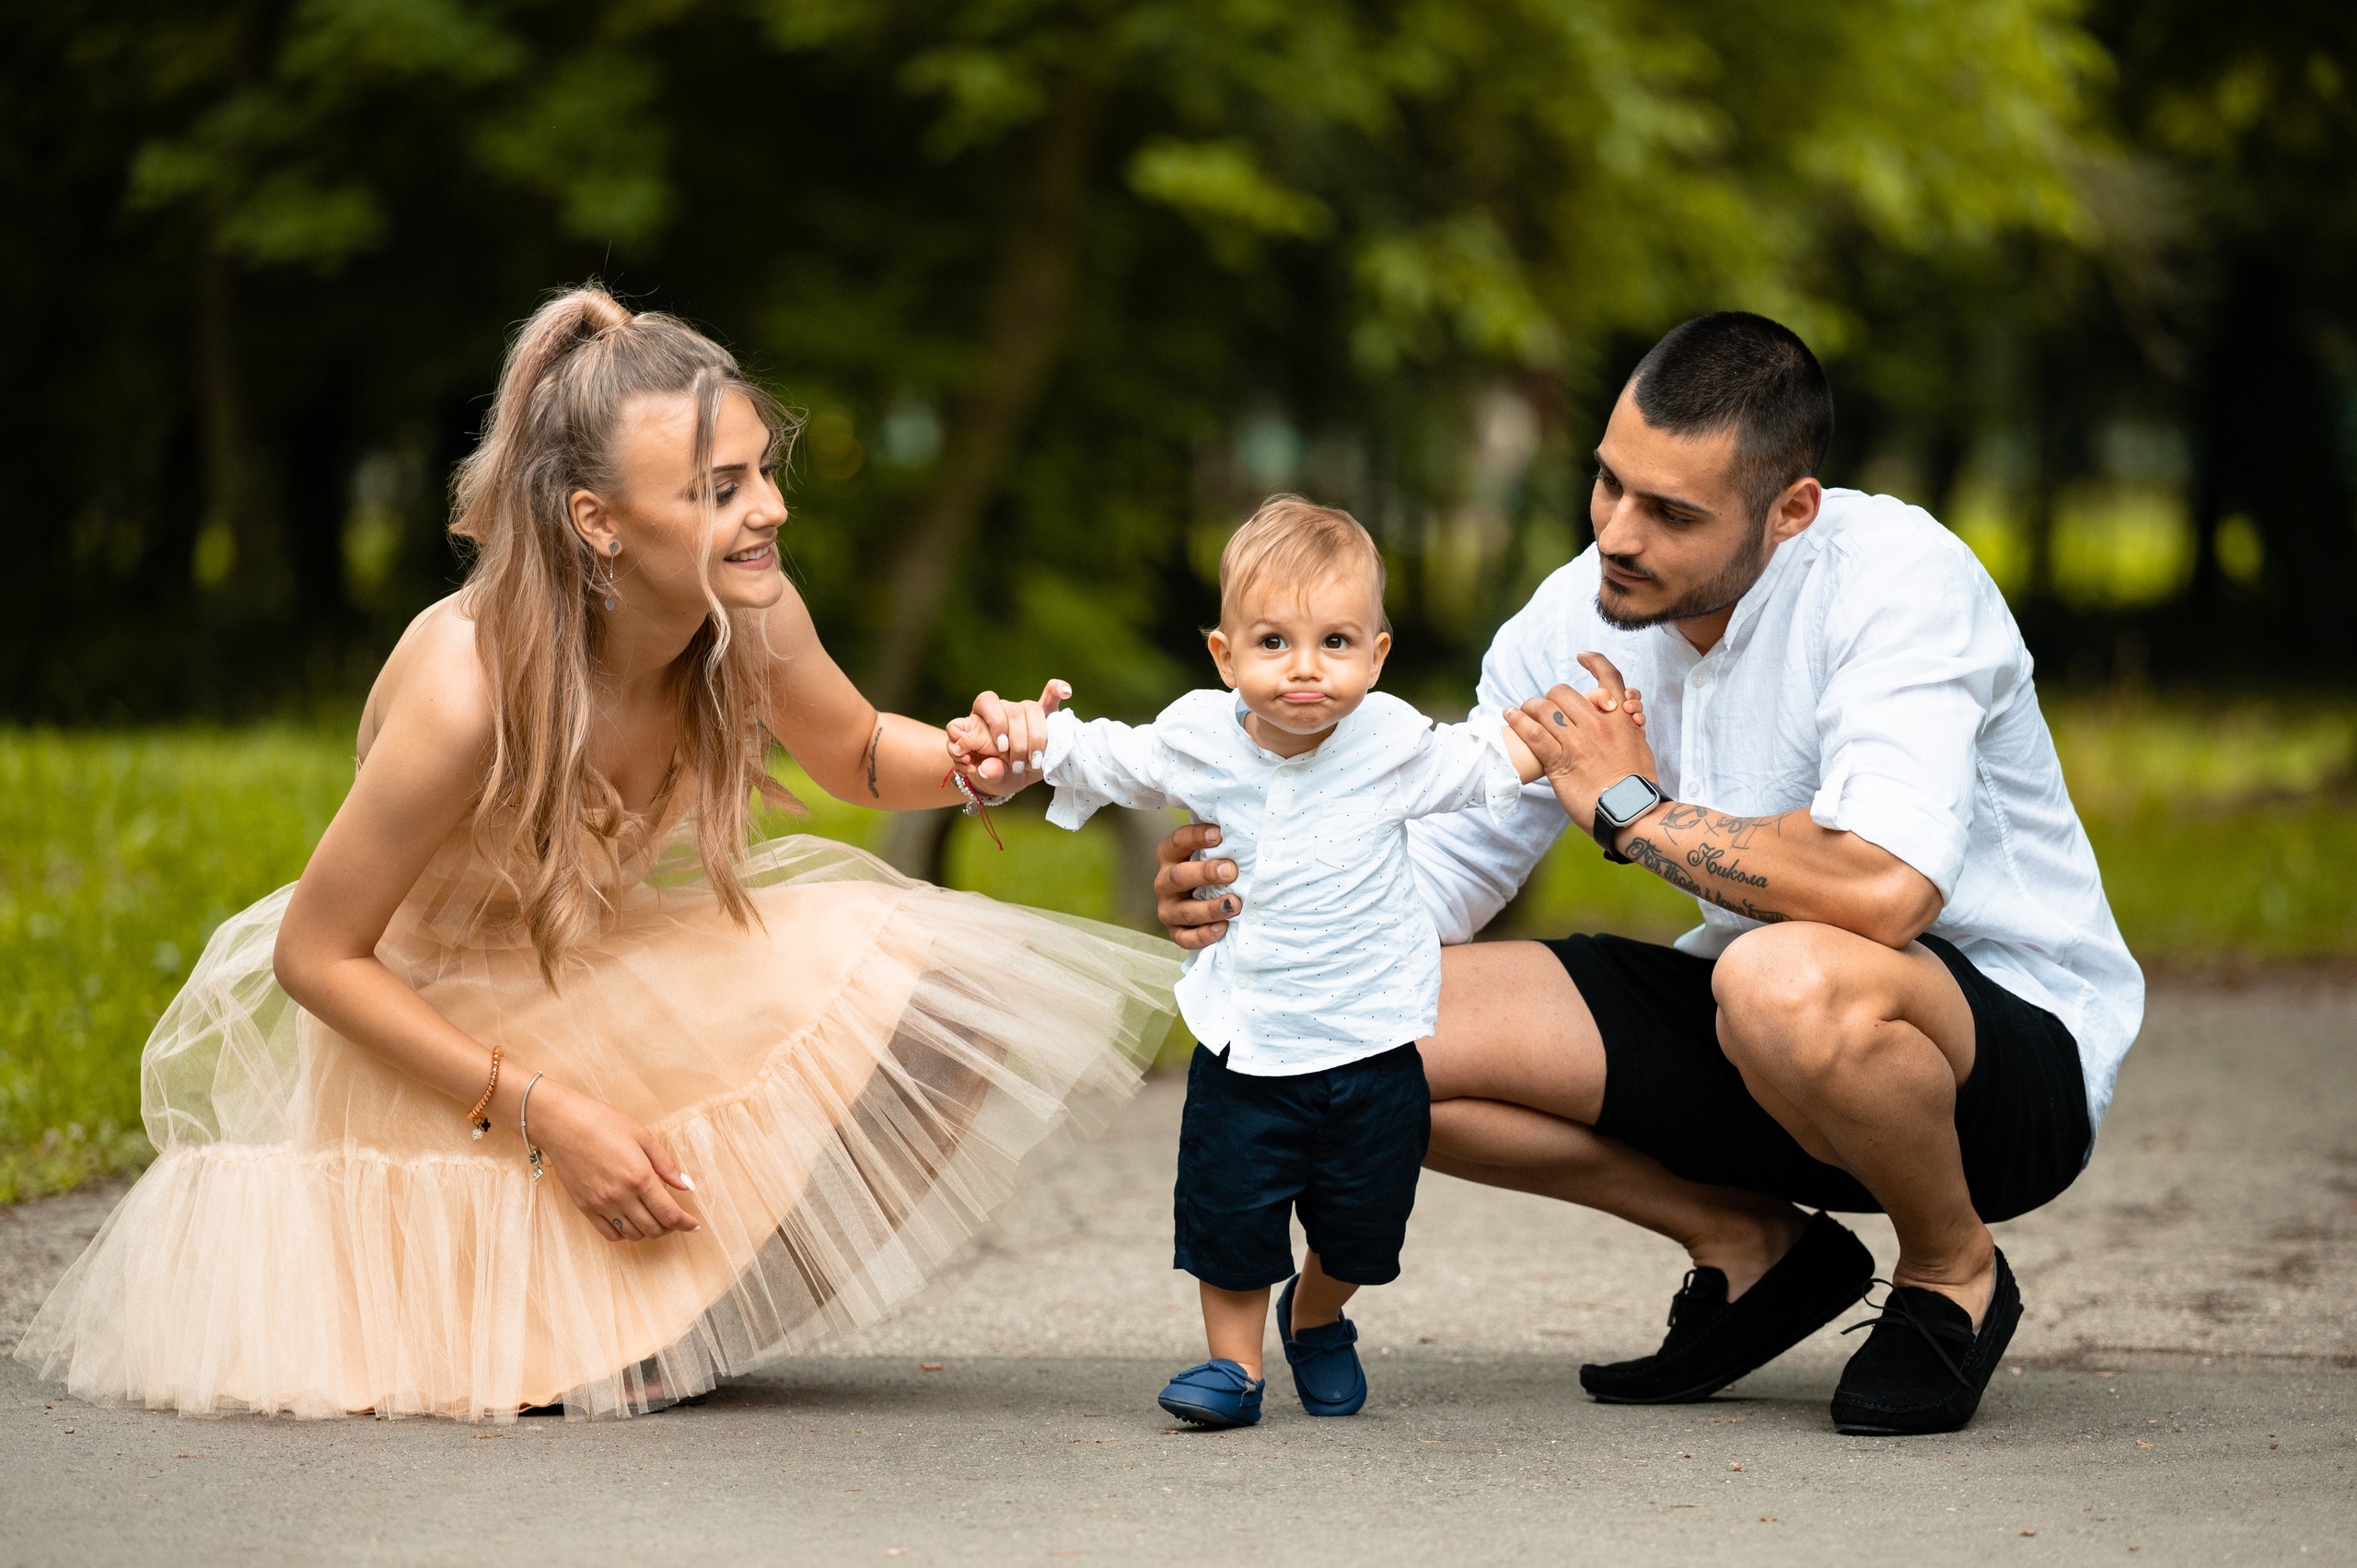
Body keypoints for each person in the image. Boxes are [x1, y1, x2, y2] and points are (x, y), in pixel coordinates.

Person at [14, 285, 1179, 1422]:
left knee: (947, 988)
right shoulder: (471, 691)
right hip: (438, 1041)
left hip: (596, 970)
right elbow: (316, 957)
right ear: (597, 521)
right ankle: (593, 1334)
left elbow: (862, 751)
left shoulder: (748, 608)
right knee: (504, 1325)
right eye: (719, 488)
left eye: (764, 469)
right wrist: (548, 1115)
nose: (767, 508)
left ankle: (672, 1329)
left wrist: (988, 754)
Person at [1148, 313, 2144, 1436]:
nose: (1618, 533)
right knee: (1370, 1032)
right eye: (1608, 484)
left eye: (1671, 512)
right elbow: (1433, 879)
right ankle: (1752, 1248)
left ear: (1791, 510)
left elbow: (1886, 890)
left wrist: (1636, 811)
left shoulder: (1898, 583)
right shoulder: (1572, 616)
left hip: (1995, 1063)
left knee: (1782, 981)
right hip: (1746, 1031)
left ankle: (1948, 1267)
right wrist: (1257, 901)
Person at [946, 499, 1591, 1429]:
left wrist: (1575, 730)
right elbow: (1106, 753)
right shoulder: (1201, 736)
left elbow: (1486, 757)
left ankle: (1320, 1315)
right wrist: (1026, 740)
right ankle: (1233, 1366)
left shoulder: (1394, 744)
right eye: (1273, 641)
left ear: (1375, 655)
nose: (1303, 668)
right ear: (1223, 655)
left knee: (1361, 1229)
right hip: (1247, 1043)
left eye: (1334, 641)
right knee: (1230, 1217)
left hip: (1370, 1045)